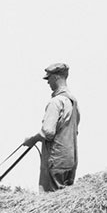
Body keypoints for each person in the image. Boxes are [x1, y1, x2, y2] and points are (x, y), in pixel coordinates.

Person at [23, 62, 80, 192]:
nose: (47, 82)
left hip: (56, 159)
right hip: (70, 159)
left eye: (48, 78)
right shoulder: (73, 102)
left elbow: (47, 132)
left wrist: (32, 140)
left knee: (52, 199)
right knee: (65, 199)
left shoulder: (56, 102)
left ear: (55, 78)